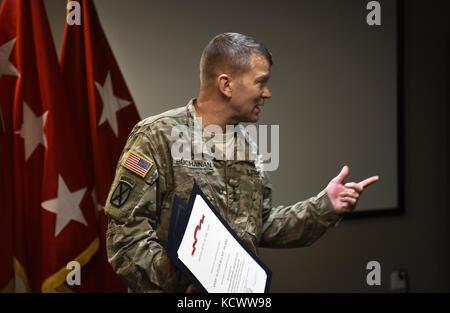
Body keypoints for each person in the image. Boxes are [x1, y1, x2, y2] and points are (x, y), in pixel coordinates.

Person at [104, 32, 379, 293]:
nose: (267, 93)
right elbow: (125, 236)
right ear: (226, 84)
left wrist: (325, 206)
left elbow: (262, 225)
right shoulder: (158, 137)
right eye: (261, 82)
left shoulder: (248, 148)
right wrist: (185, 285)